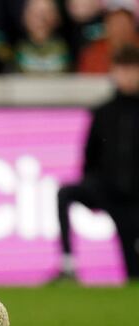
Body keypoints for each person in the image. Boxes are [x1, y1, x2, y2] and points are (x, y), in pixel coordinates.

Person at [55, 45, 139, 282]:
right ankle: (68, 263)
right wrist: (92, 184)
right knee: (65, 194)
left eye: (133, 70)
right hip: (105, 190)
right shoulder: (103, 111)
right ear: (114, 72)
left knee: (133, 274)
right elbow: (90, 154)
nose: (128, 76)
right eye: (123, 70)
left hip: (133, 203)